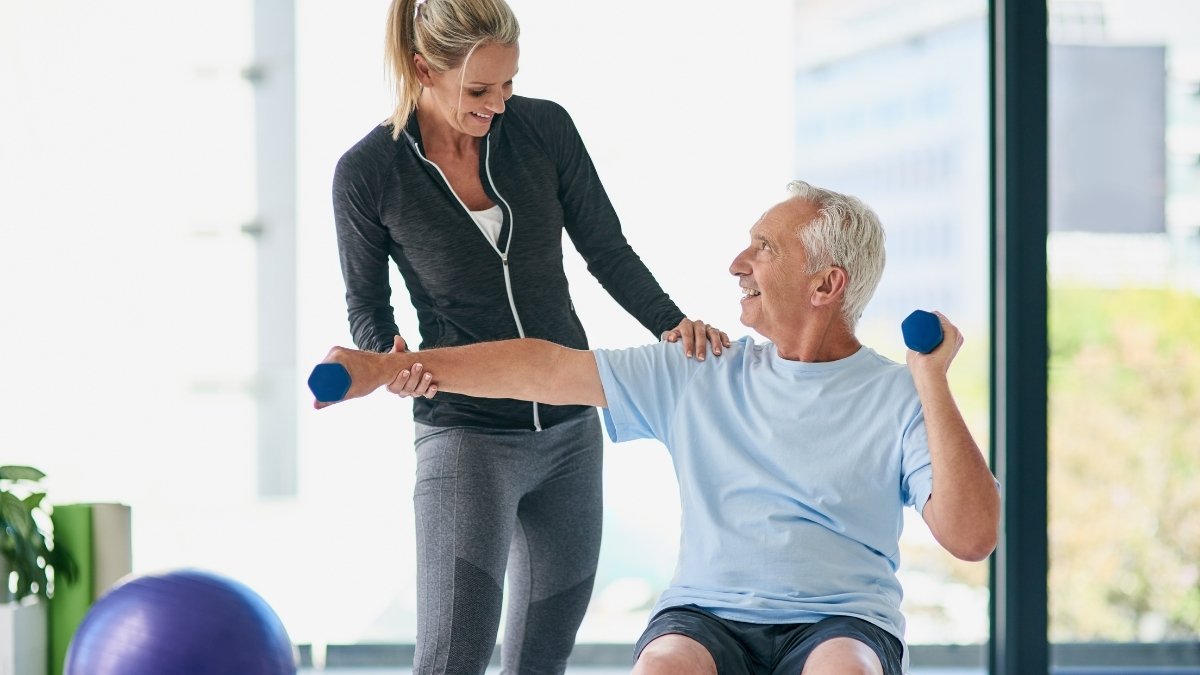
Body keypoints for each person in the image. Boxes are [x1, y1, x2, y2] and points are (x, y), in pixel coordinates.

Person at [316, 180, 1001, 675]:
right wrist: (386, 367)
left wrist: (932, 380)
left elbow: (972, 536)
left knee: (844, 670)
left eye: (764, 248)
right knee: (665, 667)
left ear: (825, 285)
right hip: (707, 615)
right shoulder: (703, 370)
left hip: (842, 621)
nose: (737, 263)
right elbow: (544, 368)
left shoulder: (898, 394)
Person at [329, 0, 728, 671]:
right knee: (451, 660)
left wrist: (672, 322)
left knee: (540, 663)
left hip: (570, 433)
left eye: (509, 83)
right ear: (423, 69)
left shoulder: (544, 128)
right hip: (465, 435)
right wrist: (389, 356)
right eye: (479, 90)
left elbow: (607, 249)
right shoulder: (369, 171)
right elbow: (366, 305)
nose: (499, 104)